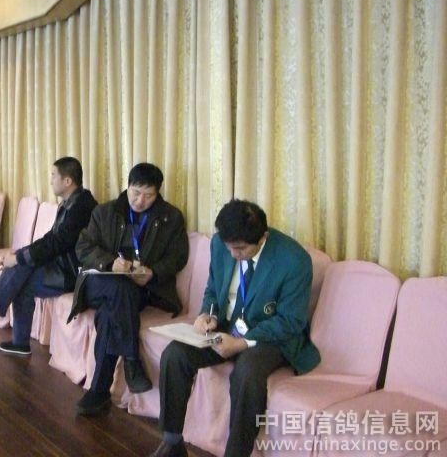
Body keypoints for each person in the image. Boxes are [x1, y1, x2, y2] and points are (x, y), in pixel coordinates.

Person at [149, 199, 320, 457]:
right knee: (175, 354)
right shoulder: (221, 244)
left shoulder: (294, 260)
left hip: (269, 336)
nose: (232, 254)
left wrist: (241, 343)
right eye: (228, 246)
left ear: (262, 238)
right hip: (226, 327)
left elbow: (290, 321)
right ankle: (172, 441)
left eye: (240, 249)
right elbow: (213, 288)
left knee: (247, 373)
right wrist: (208, 314)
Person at [70, 163, 189, 416]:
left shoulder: (170, 218)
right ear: (127, 186)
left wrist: (153, 272)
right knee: (118, 285)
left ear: (158, 193)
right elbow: (83, 248)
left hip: (140, 289)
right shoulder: (105, 212)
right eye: (136, 192)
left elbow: (178, 257)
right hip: (99, 282)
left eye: (148, 195)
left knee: (110, 313)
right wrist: (109, 262)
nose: (140, 200)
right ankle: (131, 360)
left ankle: (99, 391)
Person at [0, 157, 97, 355]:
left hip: (73, 273)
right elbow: (50, 238)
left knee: (20, 266)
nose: (50, 180)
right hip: (60, 265)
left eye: (53, 175)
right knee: (21, 273)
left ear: (67, 181)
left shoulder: (82, 206)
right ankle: (18, 341)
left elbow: (57, 244)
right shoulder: (71, 202)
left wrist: (19, 258)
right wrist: (21, 253)